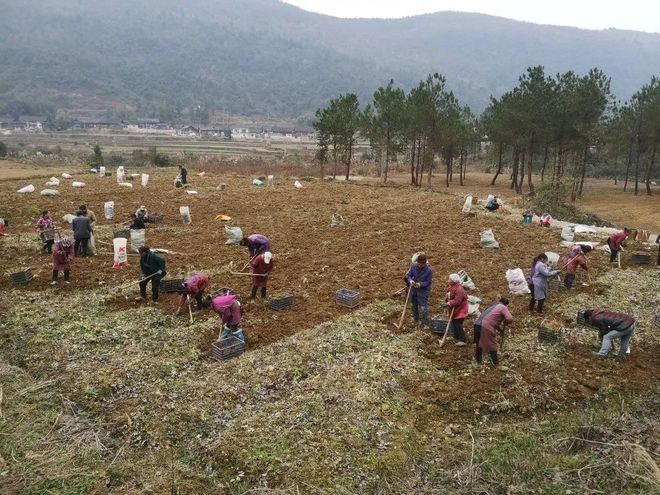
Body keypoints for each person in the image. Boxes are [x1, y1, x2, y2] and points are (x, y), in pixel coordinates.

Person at [476, 297, 513, 365]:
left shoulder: (493, 306)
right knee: (492, 345)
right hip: (486, 326)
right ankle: (496, 364)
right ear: (506, 305)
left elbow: (490, 318)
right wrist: (506, 320)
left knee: (479, 343)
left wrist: (500, 330)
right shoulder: (503, 307)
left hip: (477, 324)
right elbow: (510, 319)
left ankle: (478, 360)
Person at [404, 253, 433, 327]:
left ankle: (425, 323)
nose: (419, 265)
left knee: (423, 308)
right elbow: (408, 276)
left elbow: (428, 282)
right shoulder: (413, 266)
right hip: (413, 290)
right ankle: (416, 320)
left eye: (421, 264)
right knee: (414, 306)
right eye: (419, 264)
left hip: (423, 291)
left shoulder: (429, 270)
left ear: (424, 263)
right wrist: (410, 281)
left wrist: (420, 284)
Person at [445, 273, 469, 345]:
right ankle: (456, 337)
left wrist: (449, 303)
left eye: (449, 279)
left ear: (453, 281)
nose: (448, 280)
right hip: (455, 308)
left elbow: (458, 301)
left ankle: (463, 339)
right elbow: (449, 294)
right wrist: (447, 298)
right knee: (453, 322)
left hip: (461, 308)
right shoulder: (451, 287)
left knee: (457, 323)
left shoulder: (459, 289)